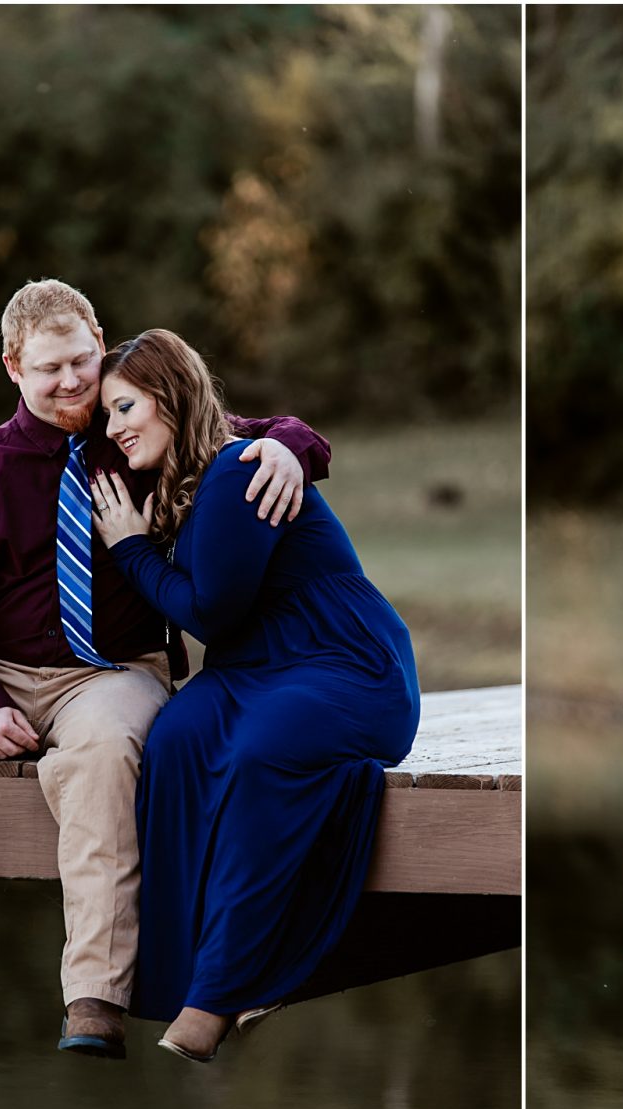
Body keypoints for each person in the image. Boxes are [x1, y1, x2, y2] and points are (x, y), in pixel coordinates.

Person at [0, 280, 330, 1060]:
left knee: (105, 754)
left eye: (81, 360)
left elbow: (253, 430)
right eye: (49, 369)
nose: (72, 381)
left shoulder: (139, 429)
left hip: (109, 671)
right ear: (13, 368)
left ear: (100, 341)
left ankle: (96, 994)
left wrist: (290, 447)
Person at [89, 329, 420, 1063]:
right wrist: (292, 439)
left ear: (169, 398)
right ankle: (176, 973)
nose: (114, 429)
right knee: (175, 740)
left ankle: (219, 991)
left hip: (344, 664)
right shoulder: (189, 462)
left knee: (259, 756)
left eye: (125, 407)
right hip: (252, 669)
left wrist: (132, 549)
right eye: (108, 414)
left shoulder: (239, 471)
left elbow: (210, 613)